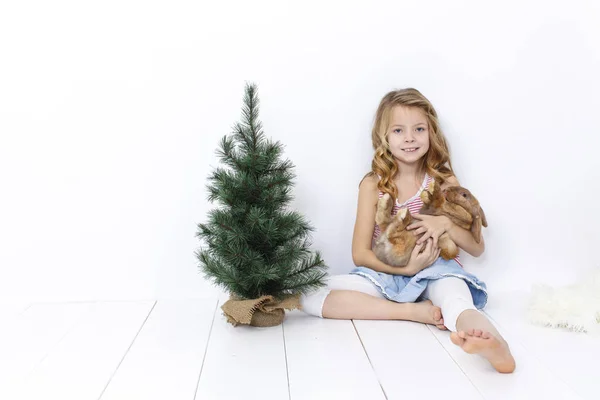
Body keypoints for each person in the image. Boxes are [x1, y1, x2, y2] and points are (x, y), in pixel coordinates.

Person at [300, 88, 516, 373]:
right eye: (399, 130)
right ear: (384, 138)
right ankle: (408, 311)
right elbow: (359, 254)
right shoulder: (372, 185)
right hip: (386, 273)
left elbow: (477, 247)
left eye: (419, 129)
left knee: (457, 301)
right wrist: (403, 270)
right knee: (306, 293)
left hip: (436, 269)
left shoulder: (443, 179)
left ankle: (496, 347)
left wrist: (446, 223)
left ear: (431, 133)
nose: (410, 138)